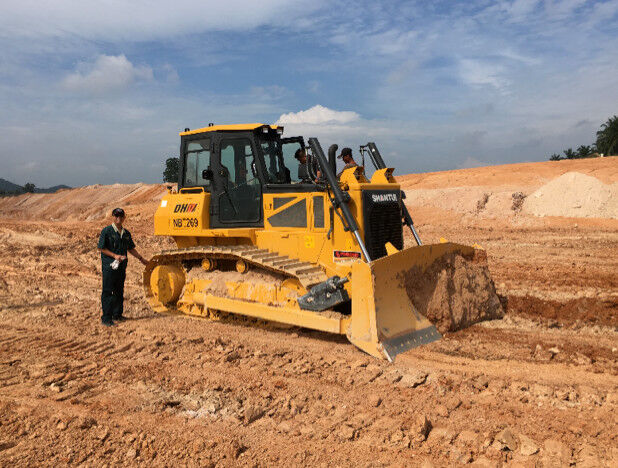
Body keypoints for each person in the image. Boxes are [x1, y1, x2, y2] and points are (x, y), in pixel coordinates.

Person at [97, 208, 148, 326]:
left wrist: (141, 259)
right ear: (113, 217)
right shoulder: (106, 231)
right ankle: (106, 318)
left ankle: (117, 315)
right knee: (108, 291)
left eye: (121, 216)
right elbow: (101, 248)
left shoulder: (126, 234)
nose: (118, 218)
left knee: (119, 290)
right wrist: (115, 256)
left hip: (121, 267)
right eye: (116, 216)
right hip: (109, 267)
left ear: (124, 218)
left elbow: (130, 248)